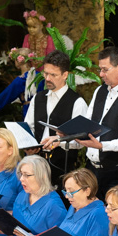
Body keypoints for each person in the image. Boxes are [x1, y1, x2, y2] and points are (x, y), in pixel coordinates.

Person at [70, 47, 118, 198]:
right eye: (100, 69)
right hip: (92, 170)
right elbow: (88, 124)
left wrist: (102, 146)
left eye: (105, 70)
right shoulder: (100, 91)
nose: (101, 74)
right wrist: (67, 134)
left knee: (112, 219)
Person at [26, 50, 88, 190]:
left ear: (65, 75)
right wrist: (28, 145)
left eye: (53, 75)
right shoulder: (38, 98)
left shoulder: (77, 103)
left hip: (63, 169)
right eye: (45, 73)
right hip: (35, 166)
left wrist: (59, 142)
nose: (47, 78)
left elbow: (81, 141)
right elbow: (29, 127)